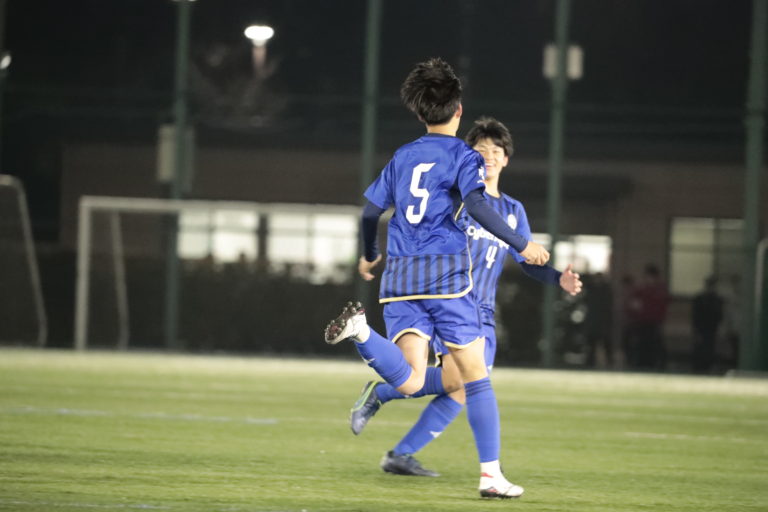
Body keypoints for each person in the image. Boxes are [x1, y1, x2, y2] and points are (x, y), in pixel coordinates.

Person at [323, 58, 549, 499]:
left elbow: (370, 212)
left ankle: (362, 332)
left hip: (399, 278)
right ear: (458, 110)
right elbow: (478, 206)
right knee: (475, 379)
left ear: (419, 111)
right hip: (446, 278)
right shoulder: (464, 156)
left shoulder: (403, 156)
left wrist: (369, 253)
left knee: (409, 379)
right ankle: (491, 477)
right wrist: (522, 244)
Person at [346, 117, 583, 477]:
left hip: (484, 311)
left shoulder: (513, 211)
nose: (489, 156)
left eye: (496, 151)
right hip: (451, 300)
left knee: (458, 387)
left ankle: (398, 445)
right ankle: (390, 405)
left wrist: (557, 278)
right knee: (466, 381)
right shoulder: (457, 199)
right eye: (481, 150)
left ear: (506, 159)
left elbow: (526, 261)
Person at [633, 263, 668, 371]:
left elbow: (663, 306)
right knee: (642, 343)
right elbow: (635, 305)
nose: (649, 279)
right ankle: (643, 364)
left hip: (655, 321)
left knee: (655, 343)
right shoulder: (641, 290)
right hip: (642, 321)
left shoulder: (660, 290)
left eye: (651, 277)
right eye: (647, 277)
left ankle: (655, 364)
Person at [691, 276, 723, 373]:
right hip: (702, 327)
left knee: (709, 347)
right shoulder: (701, 299)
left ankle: (705, 366)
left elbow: (719, 315)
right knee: (701, 347)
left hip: (711, 328)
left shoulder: (716, 299)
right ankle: (699, 366)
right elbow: (695, 315)